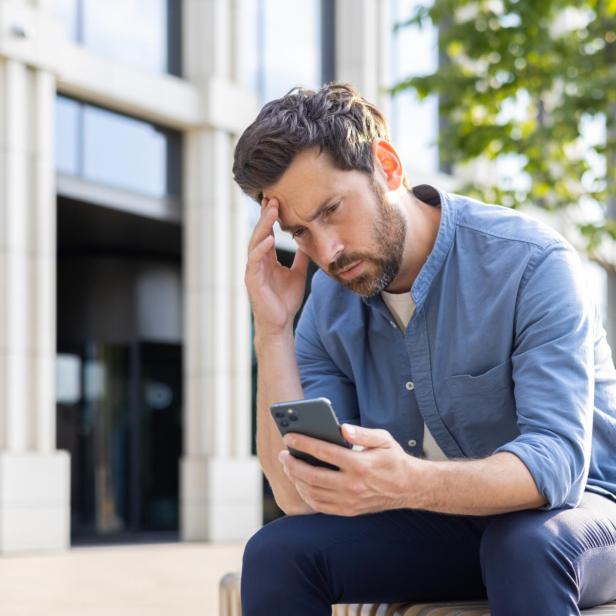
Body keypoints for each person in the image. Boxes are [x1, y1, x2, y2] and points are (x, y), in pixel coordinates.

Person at [232, 82, 616, 615]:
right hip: (445, 529)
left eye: (332, 211)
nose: (328, 251)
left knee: (522, 546)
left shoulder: (531, 263)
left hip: (583, 515)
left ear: (387, 166)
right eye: (301, 233)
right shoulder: (326, 302)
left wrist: (407, 483)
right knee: (277, 553)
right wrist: (271, 330)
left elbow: (556, 466)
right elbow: (297, 497)